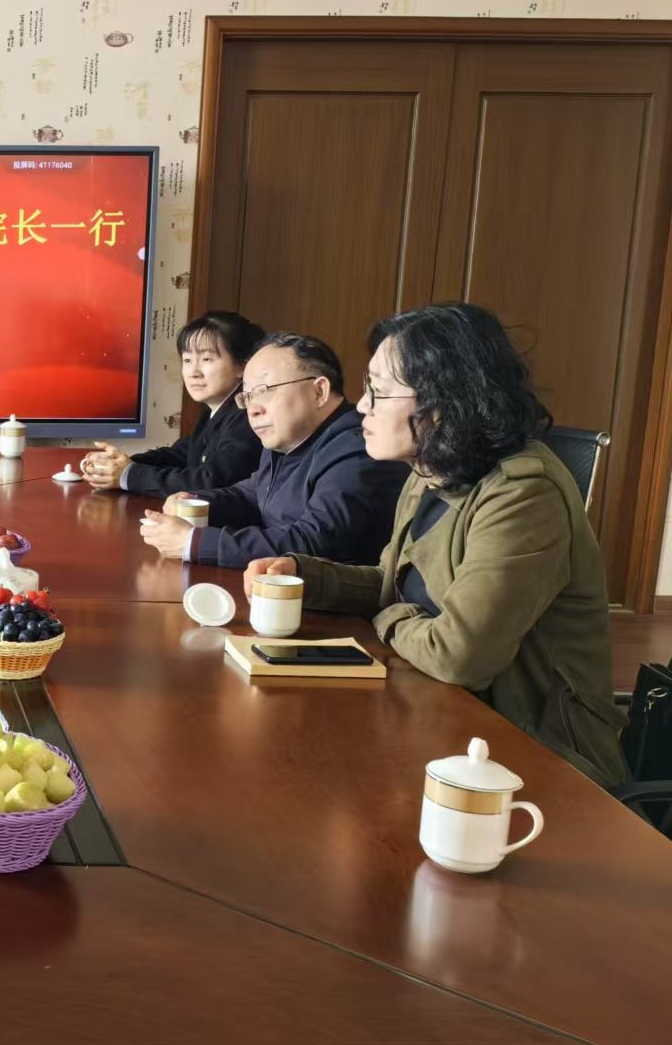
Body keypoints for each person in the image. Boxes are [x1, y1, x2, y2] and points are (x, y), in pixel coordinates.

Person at [245, 304, 627, 785]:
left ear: (441, 404)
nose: (361, 406)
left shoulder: (524, 493)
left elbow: (458, 656)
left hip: (533, 756)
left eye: (379, 391)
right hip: (446, 718)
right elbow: (393, 585)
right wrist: (302, 575)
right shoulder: (431, 470)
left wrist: (388, 616)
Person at [139, 332, 408, 569]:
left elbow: (313, 543)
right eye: (248, 397)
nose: (253, 409)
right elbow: (252, 494)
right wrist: (194, 500)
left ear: (319, 392)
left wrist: (193, 542)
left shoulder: (359, 449)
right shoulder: (290, 437)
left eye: (264, 391)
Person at [81, 310, 265, 496]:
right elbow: (179, 455)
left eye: (206, 359)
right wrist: (117, 464)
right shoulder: (216, 409)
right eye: (187, 360)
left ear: (243, 366)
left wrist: (128, 474)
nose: (193, 372)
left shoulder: (249, 415)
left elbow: (210, 480)